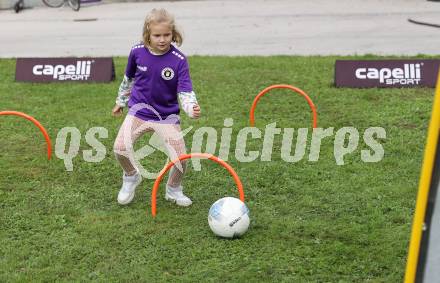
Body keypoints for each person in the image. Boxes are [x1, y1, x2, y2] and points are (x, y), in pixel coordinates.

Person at [112, 8, 201, 206]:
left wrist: (191, 107)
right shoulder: (136, 52)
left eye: (166, 35)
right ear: (148, 34)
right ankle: (131, 176)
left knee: (181, 159)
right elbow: (128, 80)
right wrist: (120, 102)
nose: (162, 39)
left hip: (166, 116)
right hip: (138, 112)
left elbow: (185, 90)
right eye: (157, 35)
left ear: (173, 34)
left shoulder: (178, 60)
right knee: (119, 148)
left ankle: (173, 189)